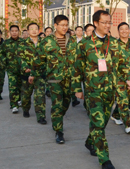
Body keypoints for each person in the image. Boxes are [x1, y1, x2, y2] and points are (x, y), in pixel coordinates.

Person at [72, 10, 130, 169]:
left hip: (110, 90)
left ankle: (90, 142)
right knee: (98, 123)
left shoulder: (115, 43)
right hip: (93, 92)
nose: (107, 25)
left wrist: (127, 79)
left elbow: (122, 64)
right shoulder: (84, 44)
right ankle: (104, 159)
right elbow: (76, 69)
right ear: (96, 23)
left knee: (102, 121)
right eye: (104, 22)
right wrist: (77, 89)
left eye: (109, 22)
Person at [31, 15, 77, 144]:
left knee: (66, 102)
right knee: (57, 104)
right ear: (55, 26)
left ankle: (56, 118)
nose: (64, 27)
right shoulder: (47, 41)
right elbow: (38, 59)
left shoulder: (72, 40)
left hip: (69, 77)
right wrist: (33, 74)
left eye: (66, 25)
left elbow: (78, 58)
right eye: (62, 25)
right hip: (54, 78)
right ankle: (59, 131)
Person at [111, 22, 130, 133]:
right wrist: (125, 78)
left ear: (129, 31)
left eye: (126, 29)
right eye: (121, 29)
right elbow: (113, 64)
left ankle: (116, 115)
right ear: (118, 31)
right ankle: (128, 125)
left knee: (124, 98)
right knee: (124, 100)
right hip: (118, 77)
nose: (124, 31)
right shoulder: (114, 45)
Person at [21, 22, 47, 124]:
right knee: (26, 95)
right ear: (27, 31)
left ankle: (41, 116)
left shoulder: (44, 43)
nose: (34, 30)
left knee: (40, 95)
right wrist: (25, 68)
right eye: (31, 29)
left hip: (40, 73)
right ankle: (25, 108)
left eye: (36, 28)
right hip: (27, 73)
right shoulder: (23, 43)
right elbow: (21, 58)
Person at [3, 25, 23, 114]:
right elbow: (2, 55)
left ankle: (19, 100)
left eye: (16, 31)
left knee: (21, 87)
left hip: (22, 69)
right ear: (10, 32)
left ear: (19, 32)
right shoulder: (6, 43)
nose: (14, 32)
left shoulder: (23, 42)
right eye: (12, 31)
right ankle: (14, 105)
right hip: (11, 70)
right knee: (13, 87)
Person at [71, 26, 85, 107]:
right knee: (74, 81)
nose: (79, 31)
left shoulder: (85, 40)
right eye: (78, 30)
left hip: (83, 64)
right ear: (75, 31)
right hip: (74, 63)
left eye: (81, 30)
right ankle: (74, 99)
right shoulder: (72, 40)